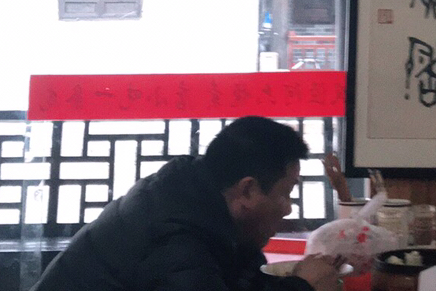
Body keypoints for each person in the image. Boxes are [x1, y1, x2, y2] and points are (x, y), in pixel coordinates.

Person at [31, 115, 343, 291]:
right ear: (247, 190)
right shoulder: (177, 235)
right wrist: (304, 288)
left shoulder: (195, 196)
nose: (288, 208)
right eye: (285, 194)